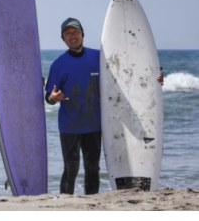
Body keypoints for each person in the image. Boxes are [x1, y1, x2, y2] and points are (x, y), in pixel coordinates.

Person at [45, 18, 164, 195]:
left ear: (82, 34)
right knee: (71, 168)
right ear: (63, 38)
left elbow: (127, 74)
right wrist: (53, 97)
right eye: (67, 34)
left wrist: (154, 78)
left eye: (75, 32)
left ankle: (91, 201)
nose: (72, 36)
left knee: (93, 169)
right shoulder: (59, 65)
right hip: (70, 126)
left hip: (94, 125)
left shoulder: (99, 58)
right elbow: (49, 96)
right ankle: (65, 202)